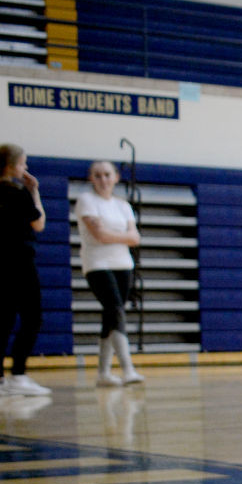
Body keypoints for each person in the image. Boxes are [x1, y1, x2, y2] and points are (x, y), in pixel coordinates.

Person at [0, 143, 50, 397]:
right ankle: (18, 374)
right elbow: (38, 224)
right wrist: (34, 191)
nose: (26, 168)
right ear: (11, 166)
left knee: (3, 320)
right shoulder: (19, 192)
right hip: (19, 262)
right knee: (32, 317)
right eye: (23, 163)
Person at [73, 160, 145, 386]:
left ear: (115, 177)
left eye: (107, 174)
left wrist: (110, 234)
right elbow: (99, 235)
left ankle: (103, 373)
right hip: (97, 264)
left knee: (111, 315)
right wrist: (119, 236)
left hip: (123, 264)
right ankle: (128, 369)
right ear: (90, 178)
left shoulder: (123, 205)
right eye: (97, 175)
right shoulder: (86, 201)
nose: (103, 179)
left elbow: (135, 238)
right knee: (115, 309)